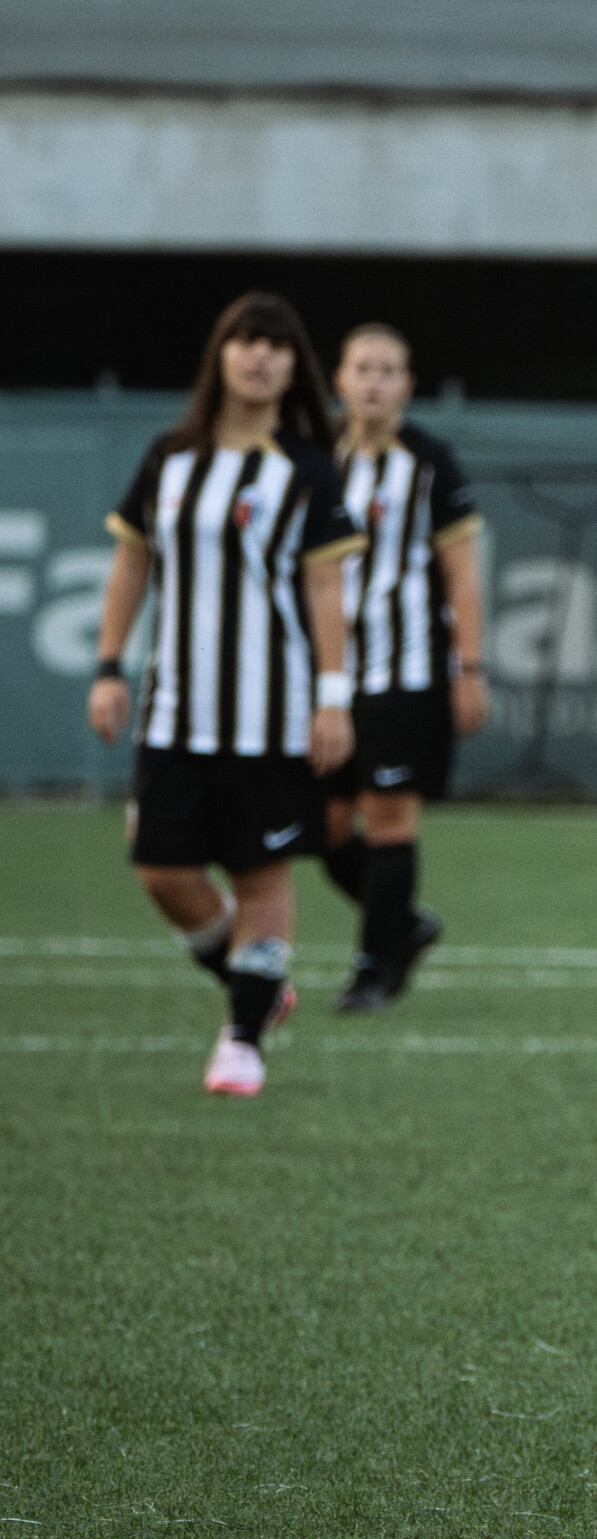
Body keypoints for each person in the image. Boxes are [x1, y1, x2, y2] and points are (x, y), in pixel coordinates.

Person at [87, 291, 366, 1097]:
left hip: (271, 716)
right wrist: (108, 668)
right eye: (245, 340)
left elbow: (324, 591)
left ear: (293, 367)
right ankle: (255, 987)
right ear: (221, 354)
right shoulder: (169, 458)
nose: (259, 355)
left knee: (261, 875)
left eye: (276, 345)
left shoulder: (308, 470)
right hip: (174, 709)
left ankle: (242, 1039)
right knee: (161, 872)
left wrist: (333, 697)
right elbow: (132, 564)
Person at [320, 322, 489, 1011]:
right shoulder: (314, 457)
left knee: (389, 820)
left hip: (406, 673)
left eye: (388, 370)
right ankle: (406, 924)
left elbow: (462, 578)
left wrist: (469, 669)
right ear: (340, 380)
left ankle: (373, 968)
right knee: (321, 826)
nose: (374, 382)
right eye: (362, 368)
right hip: (326, 679)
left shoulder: (428, 463)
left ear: (407, 386)